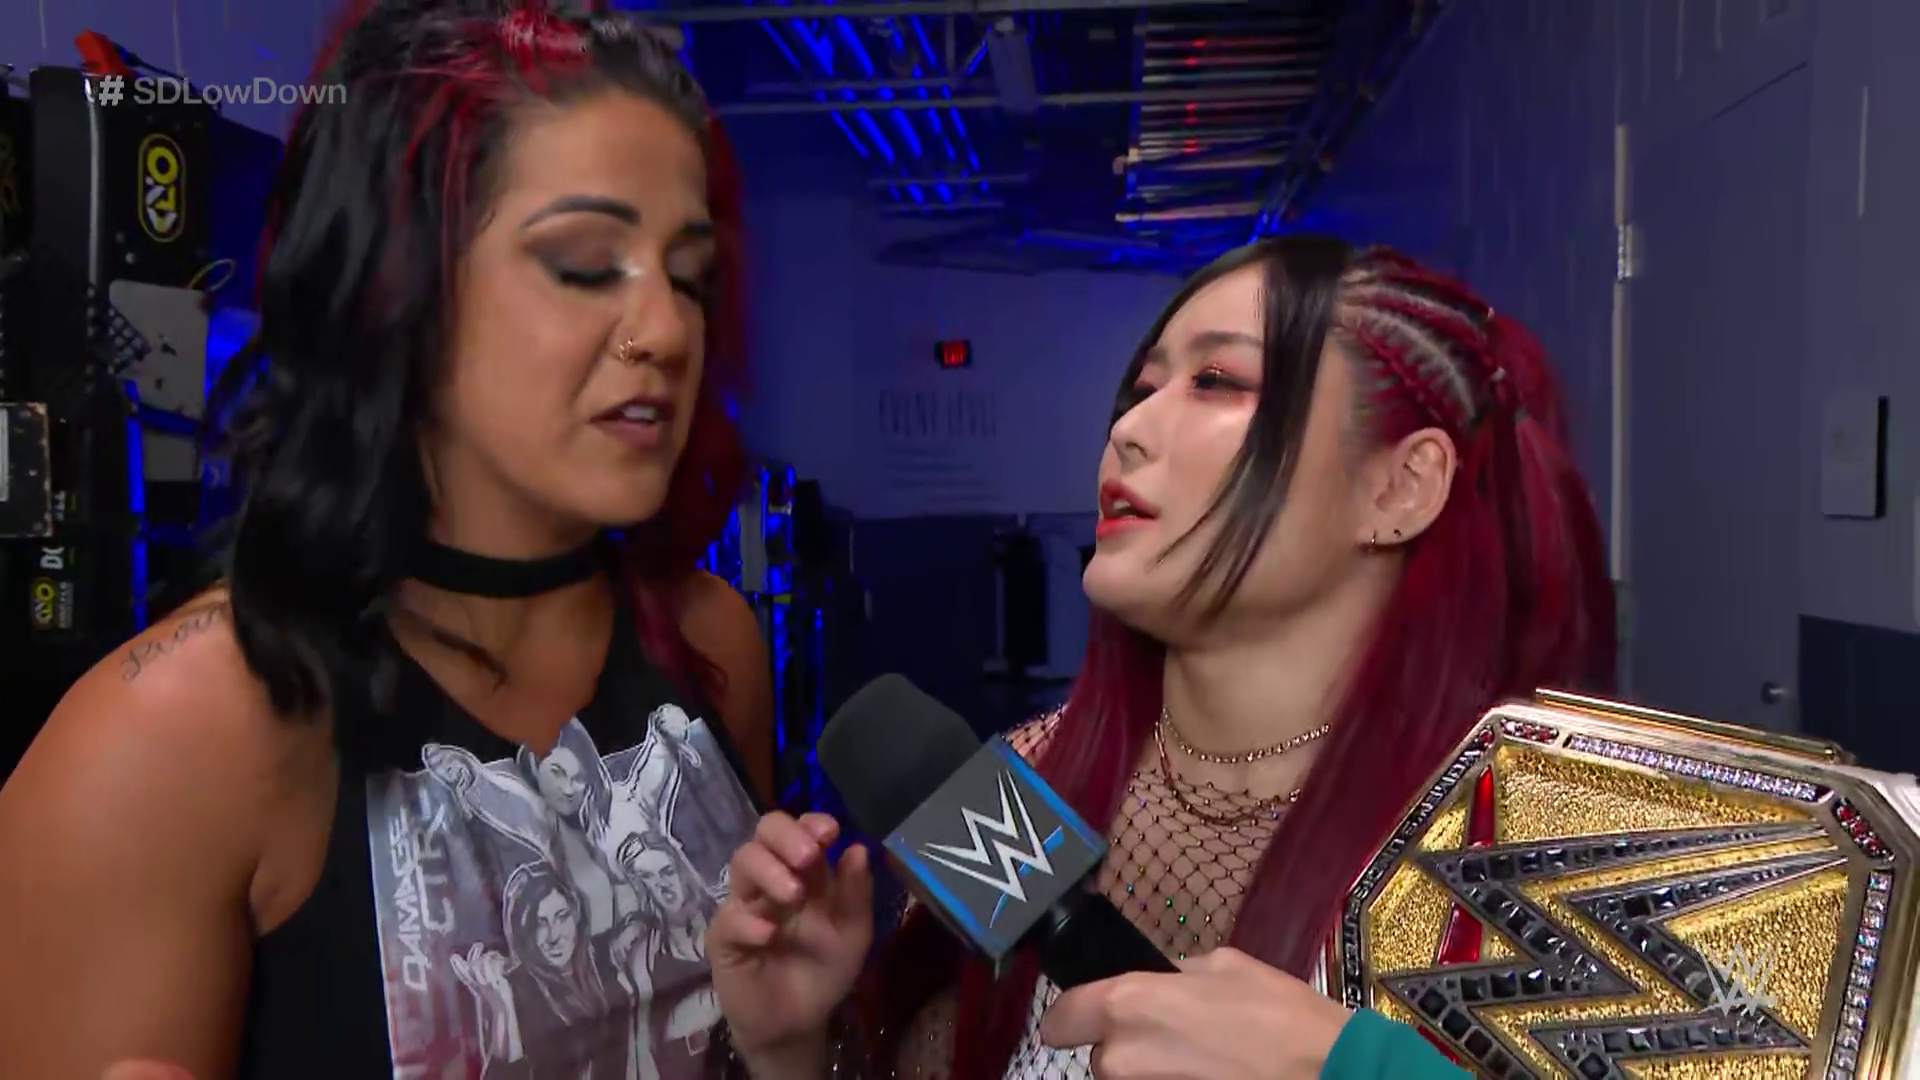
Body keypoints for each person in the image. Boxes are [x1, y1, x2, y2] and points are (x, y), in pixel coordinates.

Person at [0, 4, 773, 1079]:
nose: (668, 330)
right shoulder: (163, 745)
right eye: (585, 262)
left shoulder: (711, 643)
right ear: (395, 281)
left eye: (687, 275)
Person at [705, 235, 1616, 1080]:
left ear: (1400, 486)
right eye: (1141, 389)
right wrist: (791, 1050)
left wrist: (1351, 1067)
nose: (1129, 428)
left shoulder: (1524, 850)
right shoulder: (1026, 784)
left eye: (1217, 381)